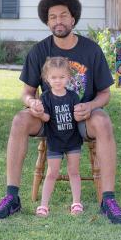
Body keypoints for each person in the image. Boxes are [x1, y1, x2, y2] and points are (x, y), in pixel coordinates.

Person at [0, 0, 121, 224]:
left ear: (73, 19)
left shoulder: (91, 50)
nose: (58, 21)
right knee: (19, 120)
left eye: (63, 16)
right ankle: (11, 197)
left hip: (82, 118)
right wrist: (33, 104)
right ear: (47, 21)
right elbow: (27, 93)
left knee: (102, 120)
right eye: (52, 17)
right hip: (49, 118)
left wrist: (90, 105)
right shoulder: (39, 51)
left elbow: (105, 94)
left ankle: (108, 200)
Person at [34, 56, 83, 217]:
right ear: (47, 78)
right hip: (55, 140)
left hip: (73, 140)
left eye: (62, 77)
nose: (57, 81)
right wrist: (40, 113)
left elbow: (77, 117)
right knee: (51, 172)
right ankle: (43, 205)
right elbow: (47, 118)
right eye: (53, 77)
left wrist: (81, 112)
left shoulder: (73, 96)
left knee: (74, 172)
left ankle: (76, 203)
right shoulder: (46, 97)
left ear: (68, 77)